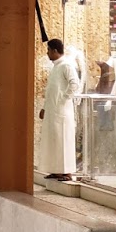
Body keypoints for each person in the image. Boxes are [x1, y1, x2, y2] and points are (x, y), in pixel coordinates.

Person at [39, 39, 79, 181]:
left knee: (63, 140)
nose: (47, 53)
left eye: (49, 50)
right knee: (54, 140)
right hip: (52, 110)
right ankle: (56, 170)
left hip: (62, 111)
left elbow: (74, 84)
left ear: (55, 51)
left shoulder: (66, 65)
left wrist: (63, 99)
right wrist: (45, 107)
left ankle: (66, 172)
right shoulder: (56, 66)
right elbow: (51, 90)